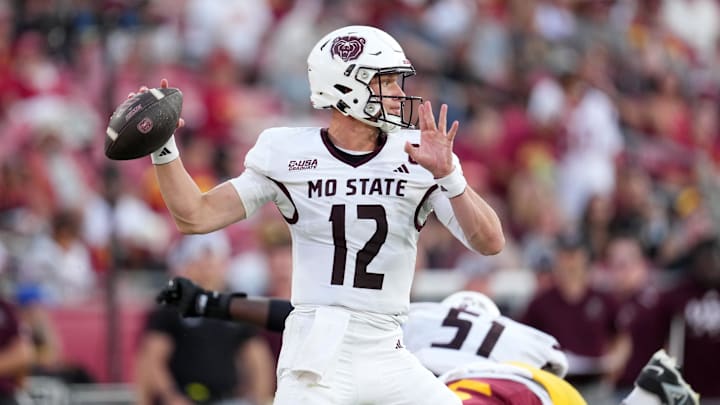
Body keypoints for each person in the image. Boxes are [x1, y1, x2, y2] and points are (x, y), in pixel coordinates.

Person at [130, 24, 505, 405]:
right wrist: (163, 148)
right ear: (346, 86)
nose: (399, 94)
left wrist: (450, 177)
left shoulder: (420, 153)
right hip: (317, 350)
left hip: (387, 346)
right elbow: (195, 216)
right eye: (387, 82)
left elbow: (491, 243)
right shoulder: (286, 152)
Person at [156, 278, 700, 405]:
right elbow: (564, 377)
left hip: (461, 392)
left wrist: (214, 303)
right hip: (537, 388)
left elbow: (299, 314)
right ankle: (645, 398)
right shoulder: (530, 336)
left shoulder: (413, 318)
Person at [134, 232, 275, 405]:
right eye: (200, 261)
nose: (207, 267)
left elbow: (257, 358)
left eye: (213, 261)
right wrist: (171, 396)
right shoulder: (172, 307)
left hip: (227, 399)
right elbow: (152, 358)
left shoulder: (237, 307)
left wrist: (258, 398)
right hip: (184, 398)